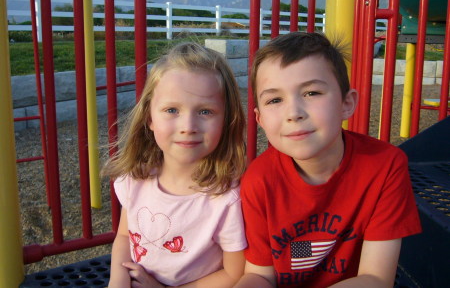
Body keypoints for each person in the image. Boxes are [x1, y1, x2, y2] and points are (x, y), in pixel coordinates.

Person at [234, 32, 422, 287]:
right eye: (275, 99)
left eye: (311, 93)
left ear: (347, 103)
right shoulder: (259, 180)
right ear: (260, 120)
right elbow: (258, 274)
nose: (294, 113)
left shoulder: (385, 166)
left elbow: (376, 278)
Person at [103, 42, 247, 288]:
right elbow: (125, 237)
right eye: (172, 110)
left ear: (227, 119)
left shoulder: (226, 199)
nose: (188, 126)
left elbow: (234, 274)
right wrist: (118, 279)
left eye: (205, 112)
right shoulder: (136, 179)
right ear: (149, 118)